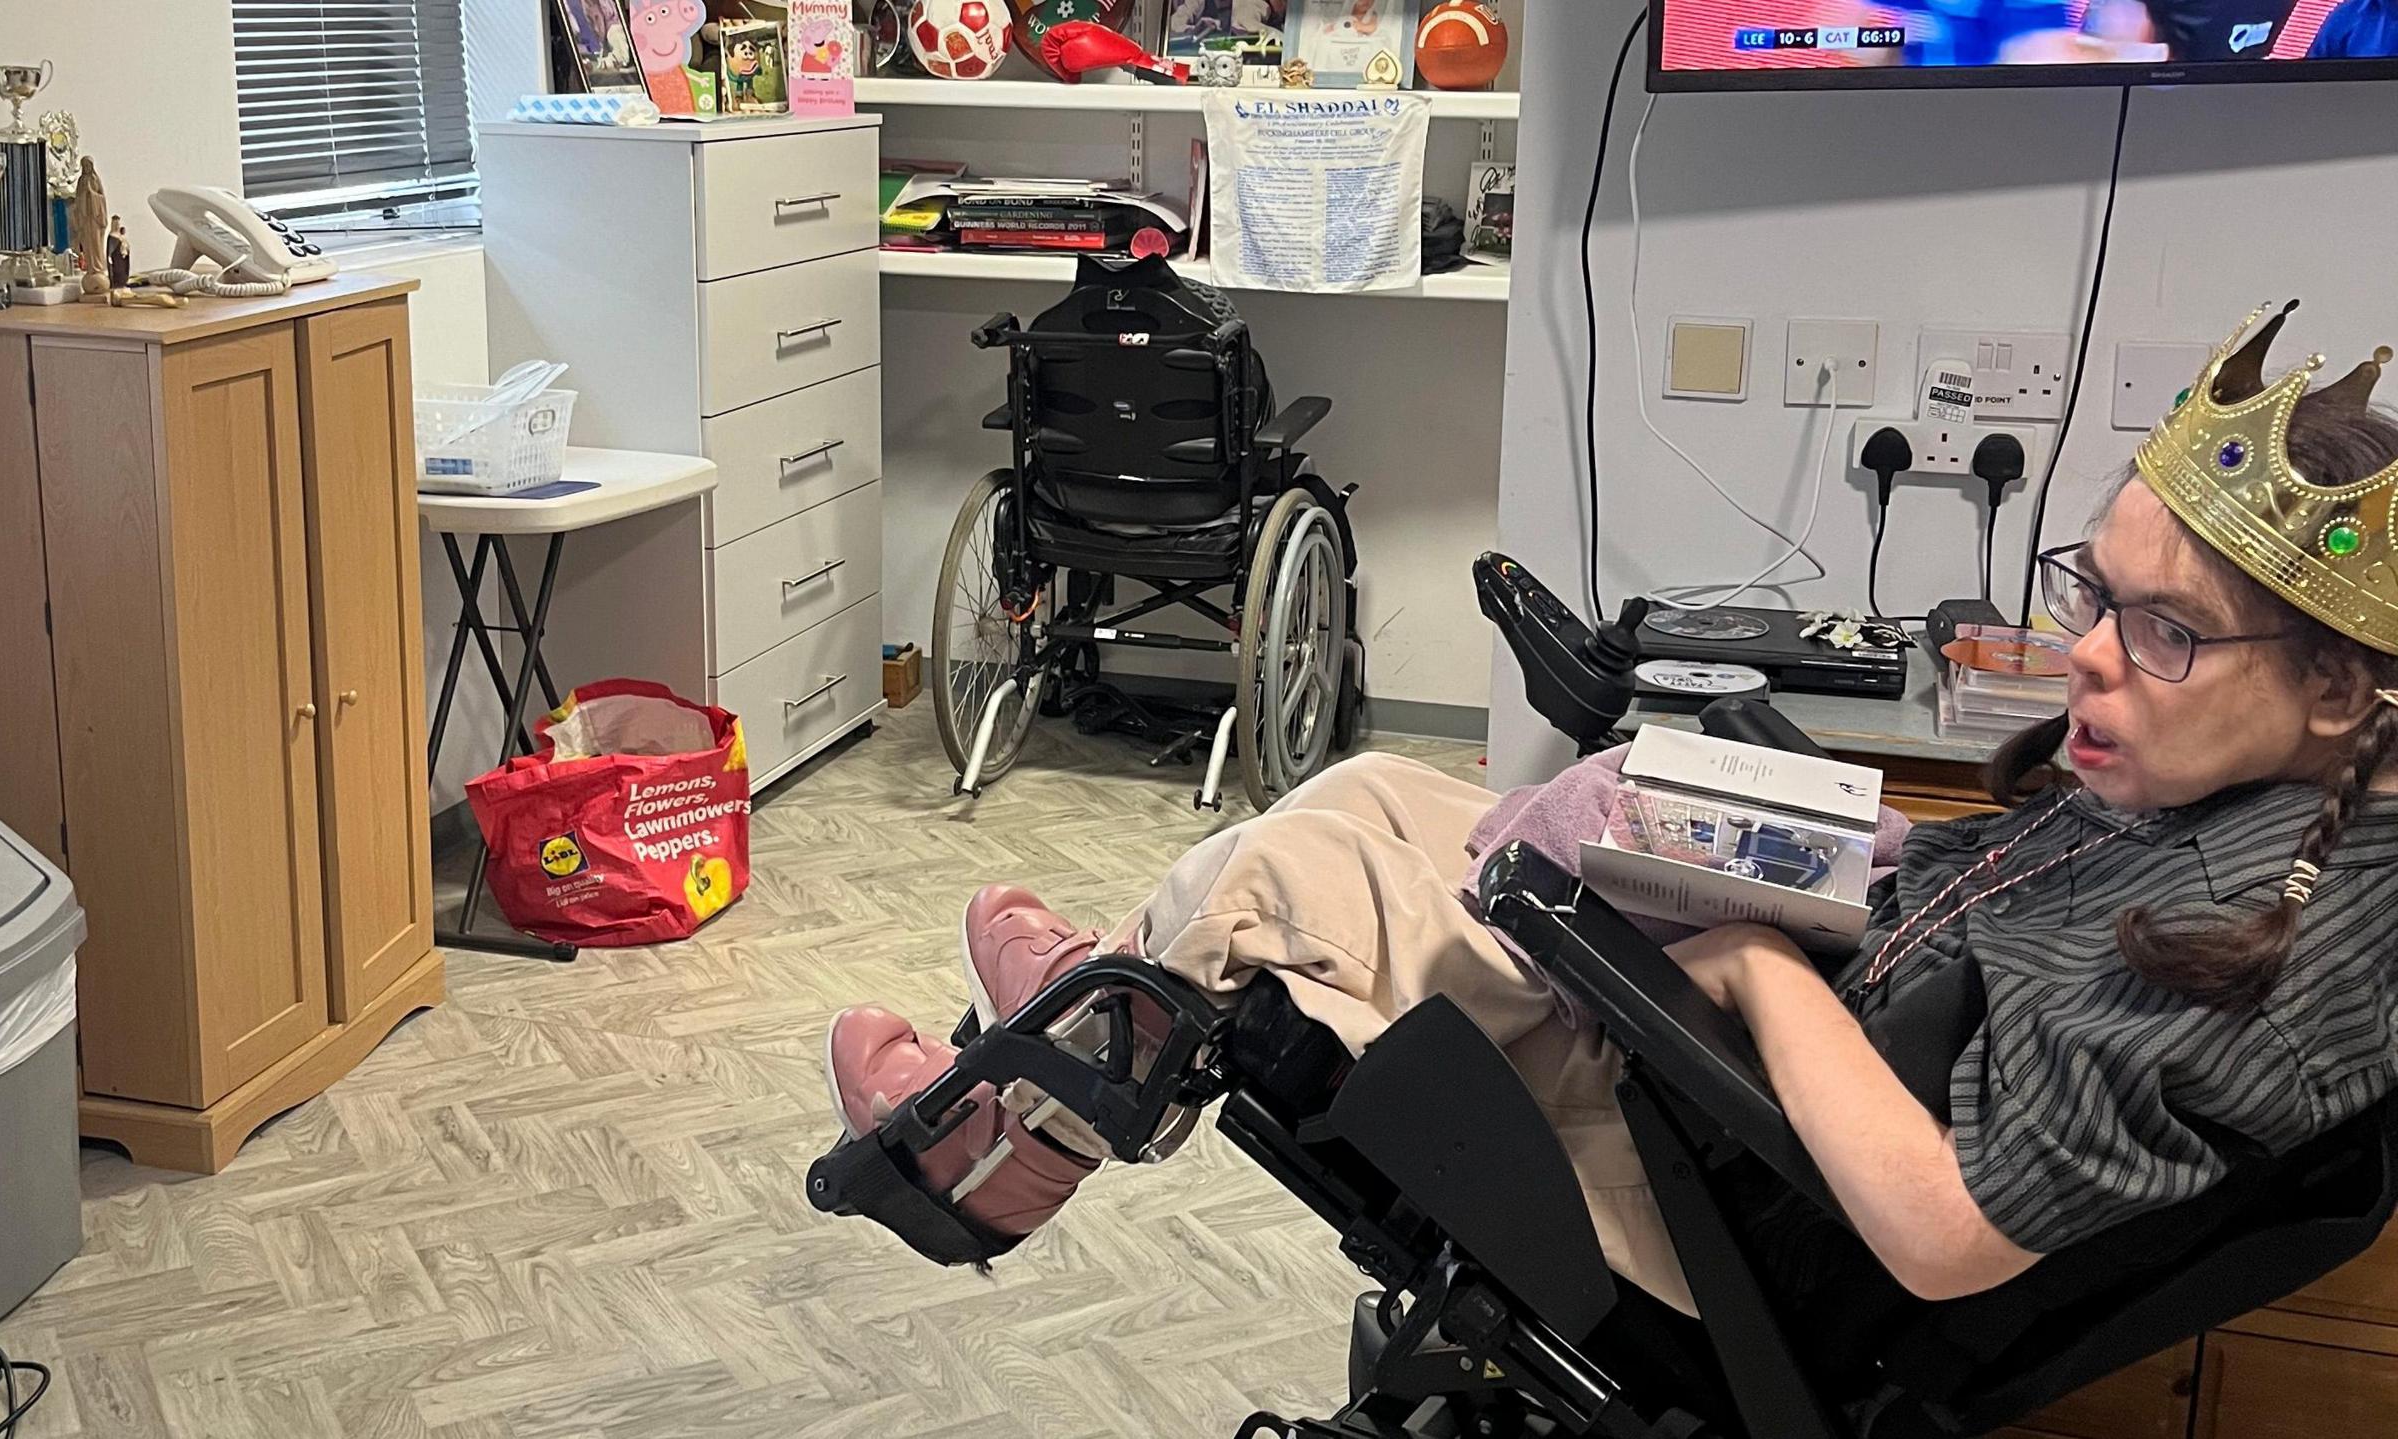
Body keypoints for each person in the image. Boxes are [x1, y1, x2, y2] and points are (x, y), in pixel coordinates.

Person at [824, 303, 2398, 1322]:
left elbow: (1938, 1235)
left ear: (2339, 688)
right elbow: (1992, 933)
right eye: (2096, 596)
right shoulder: (2250, 790)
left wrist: (1756, 963)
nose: (2092, 657)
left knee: (1309, 878)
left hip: (1730, 1168)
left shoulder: (2262, 937)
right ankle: (1092, 1038)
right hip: (1803, 1035)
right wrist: (1812, 842)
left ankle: (1027, 1120)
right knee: (1378, 784)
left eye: (2168, 632)